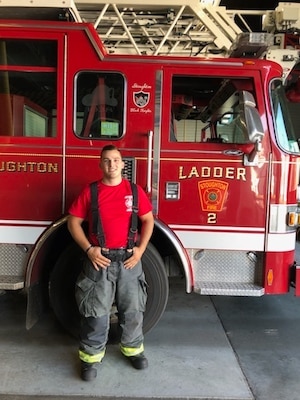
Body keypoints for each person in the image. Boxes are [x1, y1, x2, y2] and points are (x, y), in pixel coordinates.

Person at [67, 144, 154, 381]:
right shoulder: (90, 192)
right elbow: (73, 222)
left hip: (129, 260)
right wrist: (89, 249)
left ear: (123, 164)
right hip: (100, 262)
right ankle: (90, 359)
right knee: (96, 313)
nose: (111, 164)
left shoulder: (135, 192)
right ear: (100, 164)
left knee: (133, 309)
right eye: (106, 160)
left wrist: (140, 251)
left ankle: (133, 350)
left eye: (115, 160)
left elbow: (148, 220)